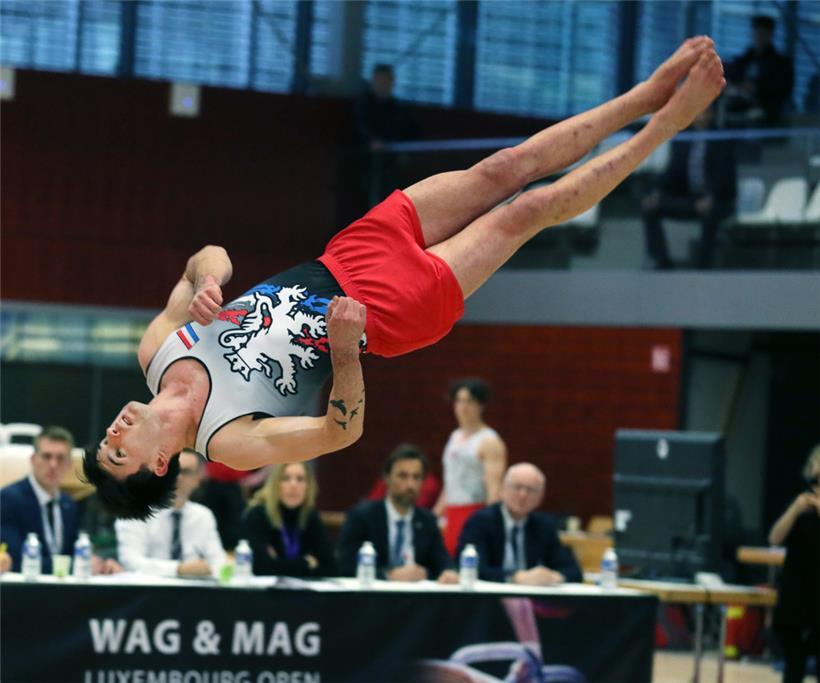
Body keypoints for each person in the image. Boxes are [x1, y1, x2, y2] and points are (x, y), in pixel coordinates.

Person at [83, 38, 727, 521]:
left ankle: (646, 96)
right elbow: (343, 432)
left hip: (347, 253)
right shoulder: (233, 441)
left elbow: (207, 253)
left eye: (105, 441)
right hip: (385, 313)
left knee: (506, 166)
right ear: (159, 465)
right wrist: (341, 352)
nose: (112, 433)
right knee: (528, 212)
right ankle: (669, 126)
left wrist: (210, 277)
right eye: (118, 453)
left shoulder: (157, 350)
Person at [0, 426, 120, 575]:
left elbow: (74, 551)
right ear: (33, 459)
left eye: (60, 458)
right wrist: (72, 567)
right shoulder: (8, 499)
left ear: (69, 464)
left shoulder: (68, 504)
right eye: (47, 456)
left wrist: (100, 563)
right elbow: (14, 560)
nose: (53, 465)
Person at [337, 443, 458, 583]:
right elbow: (346, 565)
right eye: (403, 476)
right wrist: (388, 575)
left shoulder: (427, 521)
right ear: (387, 478)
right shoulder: (362, 517)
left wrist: (448, 573)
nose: (410, 484)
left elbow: (443, 562)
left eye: (416, 477)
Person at [641, 103, 736, 269]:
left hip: (716, 200)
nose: (701, 117)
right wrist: (656, 192)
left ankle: (703, 266)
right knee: (650, 207)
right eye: (698, 113)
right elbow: (672, 173)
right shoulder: (682, 140)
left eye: (705, 113)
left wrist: (711, 197)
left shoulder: (722, 139)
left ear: (712, 115)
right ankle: (662, 261)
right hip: (688, 198)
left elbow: (726, 177)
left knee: (710, 213)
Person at [456, 463, 582, 585]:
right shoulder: (481, 521)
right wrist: (516, 577)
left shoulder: (543, 525)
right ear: (502, 489)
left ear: (541, 496)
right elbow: (474, 568)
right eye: (517, 487)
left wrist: (553, 577)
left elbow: (573, 571)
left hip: (531, 599)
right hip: (490, 599)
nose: (523, 495)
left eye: (531, 490)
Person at [115, 449, 225, 578]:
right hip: (148, 592)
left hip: (195, 592)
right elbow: (130, 562)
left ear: (198, 479)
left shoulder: (203, 516)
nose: (177, 477)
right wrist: (179, 569)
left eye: (185, 471)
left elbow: (219, 562)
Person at [433, 378, 507, 556]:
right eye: (459, 400)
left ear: (480, 405)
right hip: (451, 512)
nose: (462, 407)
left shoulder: (489, 441)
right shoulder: (454, 437)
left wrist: (492, 524)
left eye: (469, 401)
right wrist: (435, 514)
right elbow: (451, 480)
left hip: (474, 512)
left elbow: (494, 488)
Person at [769, 445, 820, 683]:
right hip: (796, 593)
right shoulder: (800, 504)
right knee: (794, 663)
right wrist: (794, 510)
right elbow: (775, 538)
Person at [239, 462, 336, 578]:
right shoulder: (257, 514)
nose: (293, 485)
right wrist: (306, 563)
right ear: (275, 484)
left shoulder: (310, 516)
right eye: (286, 478)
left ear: (308, 486)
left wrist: (277, 563)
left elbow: (331, 568)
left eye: (300, 479)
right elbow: (261, 567)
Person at [354, 64, 418, 206]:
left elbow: (409, 132)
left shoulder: (398, 108)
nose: (383, 84)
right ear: (374, 81)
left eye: (387, 81)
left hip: (390, 164)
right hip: (366, 164)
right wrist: (371, 141)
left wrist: (402, 151)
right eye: (380, 80)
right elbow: (360, 128)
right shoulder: (363, 104)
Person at [726, 15, 794, 126]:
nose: (760, 37)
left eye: (764, 33)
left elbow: (782, 89)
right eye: (757, 33)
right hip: (739, 114)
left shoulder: (781, 64)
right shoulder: (746, 59)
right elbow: (733, 73)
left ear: (771, 35)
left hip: (767, 117)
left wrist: (756, 88)